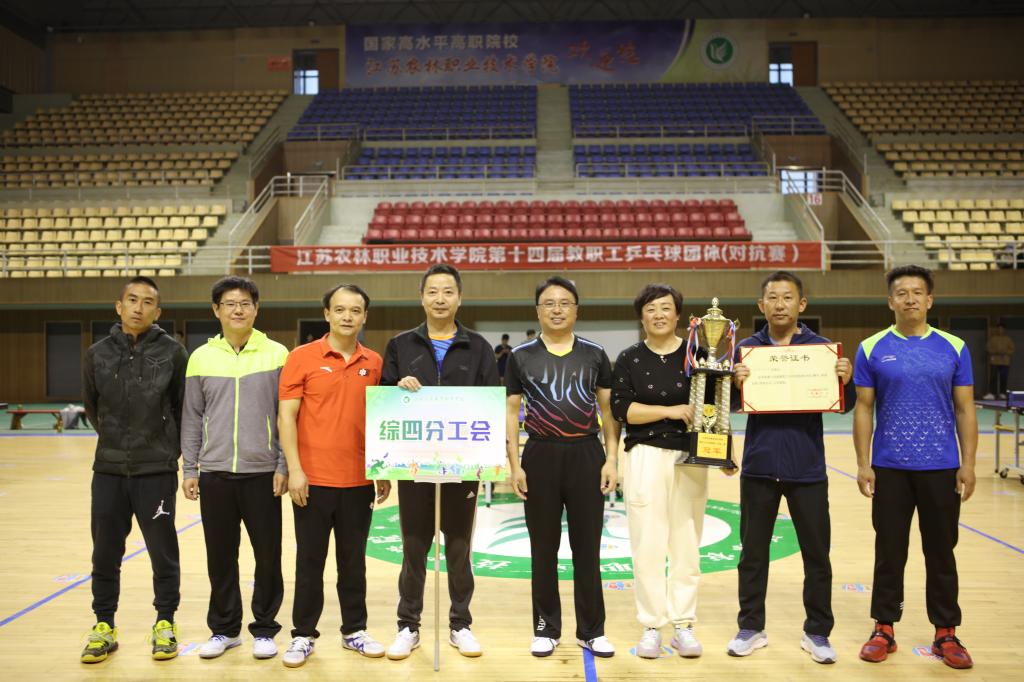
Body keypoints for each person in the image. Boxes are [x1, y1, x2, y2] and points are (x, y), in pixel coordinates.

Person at [854, 265, 977, 670]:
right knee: (889, 551)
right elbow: (864, 408)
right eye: (902, 293)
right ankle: (883, 628)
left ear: (930, 300)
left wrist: (968, 464)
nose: (910, 299)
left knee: (941, 552)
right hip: (889, 468)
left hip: (942, 467)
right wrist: (863, 463)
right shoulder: (871, 347)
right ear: (890, 301)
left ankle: (946, 632)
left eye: (917, 292)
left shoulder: (954, 347)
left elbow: (965, 408)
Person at [728, 271, 854, 664]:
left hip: (807, 468)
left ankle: (817, 632)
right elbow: (730, 405)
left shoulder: (821, 350)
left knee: (817, 555)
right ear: (761, 305)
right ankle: (751, 627)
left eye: (787, 297)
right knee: (752, 554)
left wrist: (845, 381)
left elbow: (845, 405)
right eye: (772, 297)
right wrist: (735, 384)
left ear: (801, 304)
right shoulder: (747, 350)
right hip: (760, 467)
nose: (779, 304)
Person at [382, 263, 499, 660]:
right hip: (414, 463)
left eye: (448, 291)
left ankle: (460, 624)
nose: (440, 299)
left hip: (462, 465)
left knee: (460, 548)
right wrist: (397, 388)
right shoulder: (400, 345)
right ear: (421, 298)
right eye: (432, 291)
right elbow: (383, 398)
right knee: (414, 547)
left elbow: (491, 402)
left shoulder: (478, 347)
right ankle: (408, 625)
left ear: (459, 298)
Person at [277, 283, 391, 668]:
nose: (347, 316)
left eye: (355, 310)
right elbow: (287, 417)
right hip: (312, 480)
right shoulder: (301, 357)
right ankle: (303, 634)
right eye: (340, 309)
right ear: (327, 314)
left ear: (364, 317)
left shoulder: (374, 362)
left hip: (359, 481)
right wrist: (295, 470)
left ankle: (354, 630)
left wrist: (381, 469)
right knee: (310, 562)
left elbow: (380, 418)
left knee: (353, 562)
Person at [505, 276, 618, 658]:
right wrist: (515, 464)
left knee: (587, 549)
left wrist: (611, 459)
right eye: (549, 303)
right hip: (539, 455)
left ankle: (592, 630)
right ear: (538, 310)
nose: (557, 309)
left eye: (564, 302)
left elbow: (608, 411)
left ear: (576, 310)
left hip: (586, 454)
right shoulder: (520, 356)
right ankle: (545, 628)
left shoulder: (595, 354)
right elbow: (511, 413)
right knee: (543, 548)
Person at [180, 276, 289, 661]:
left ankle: (265, 629)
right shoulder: (200, 357)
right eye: (229, 303)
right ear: (216, 310)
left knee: (268, 556)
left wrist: (283, 463)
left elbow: (287, 417)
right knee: (220, 556)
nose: (238, 310)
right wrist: (189, 468)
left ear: (256, 309)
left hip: (264, 474)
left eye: (245, 303)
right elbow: (192, 417)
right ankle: (225, 629)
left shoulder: (278, 354)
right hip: (215, 473)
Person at [80, 276, 188, 663]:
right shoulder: (97, 354)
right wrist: (115, 441)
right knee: (105, 553)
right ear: (119, 306)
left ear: (158, 312)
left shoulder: (174, 353)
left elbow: (182, 408)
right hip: (108, 470)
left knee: (163, 551)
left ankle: (165, 621)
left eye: (147, 302)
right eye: (132, 300)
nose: (138, 308)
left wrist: (165, 449)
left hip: (156, 470)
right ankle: (103, 624)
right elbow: (92, 407)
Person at [610, 283, 714, 659]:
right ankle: (651, 625)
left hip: (690, 458)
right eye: (651, 309)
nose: (658, 314)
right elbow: (623, 409)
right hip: (644, 457)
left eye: (666, 308)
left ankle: (683, 624)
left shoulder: (699, 355)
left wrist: (726, 453)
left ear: (678, 314)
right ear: (642, 317)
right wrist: (670, 411)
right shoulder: (629, 358)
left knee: (686, 545)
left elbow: (715, 407)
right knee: (647, 545)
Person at [985, 322, 1014, 399]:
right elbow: (988, 348)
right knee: (993, 377)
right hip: (994, 361)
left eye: (1002, 329)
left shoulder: (1008, 339)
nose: (1000, 330)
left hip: (1005, 361)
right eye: (999, 329)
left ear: (1004, 330)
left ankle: (1002, 393)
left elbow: (1012, 349)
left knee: (1003, 377)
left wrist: (1004, 352)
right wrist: (996, 351)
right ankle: (992, 393)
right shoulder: (993, 338)